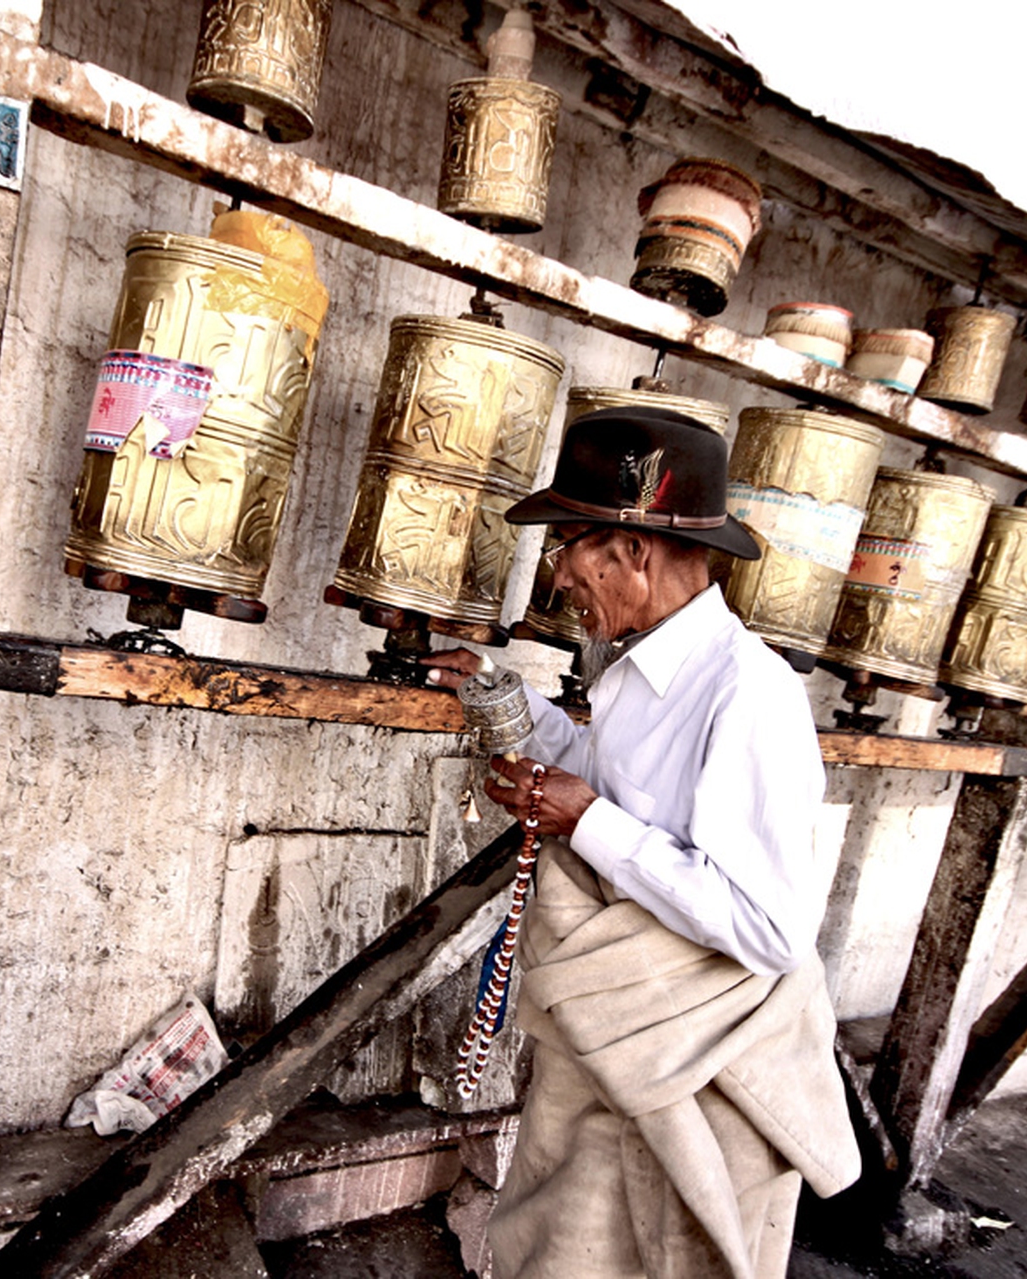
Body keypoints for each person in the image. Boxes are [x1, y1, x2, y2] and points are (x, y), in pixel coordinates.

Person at [423, 406, 860, 1279]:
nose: (559, 580)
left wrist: (587, 820)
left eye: (565, 553)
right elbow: (616, 779)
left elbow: (769, 928)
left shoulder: (752, 695)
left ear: (631, 552)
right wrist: (514, 709)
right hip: (618, 1050)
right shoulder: (632, 665)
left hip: (701, 1070)